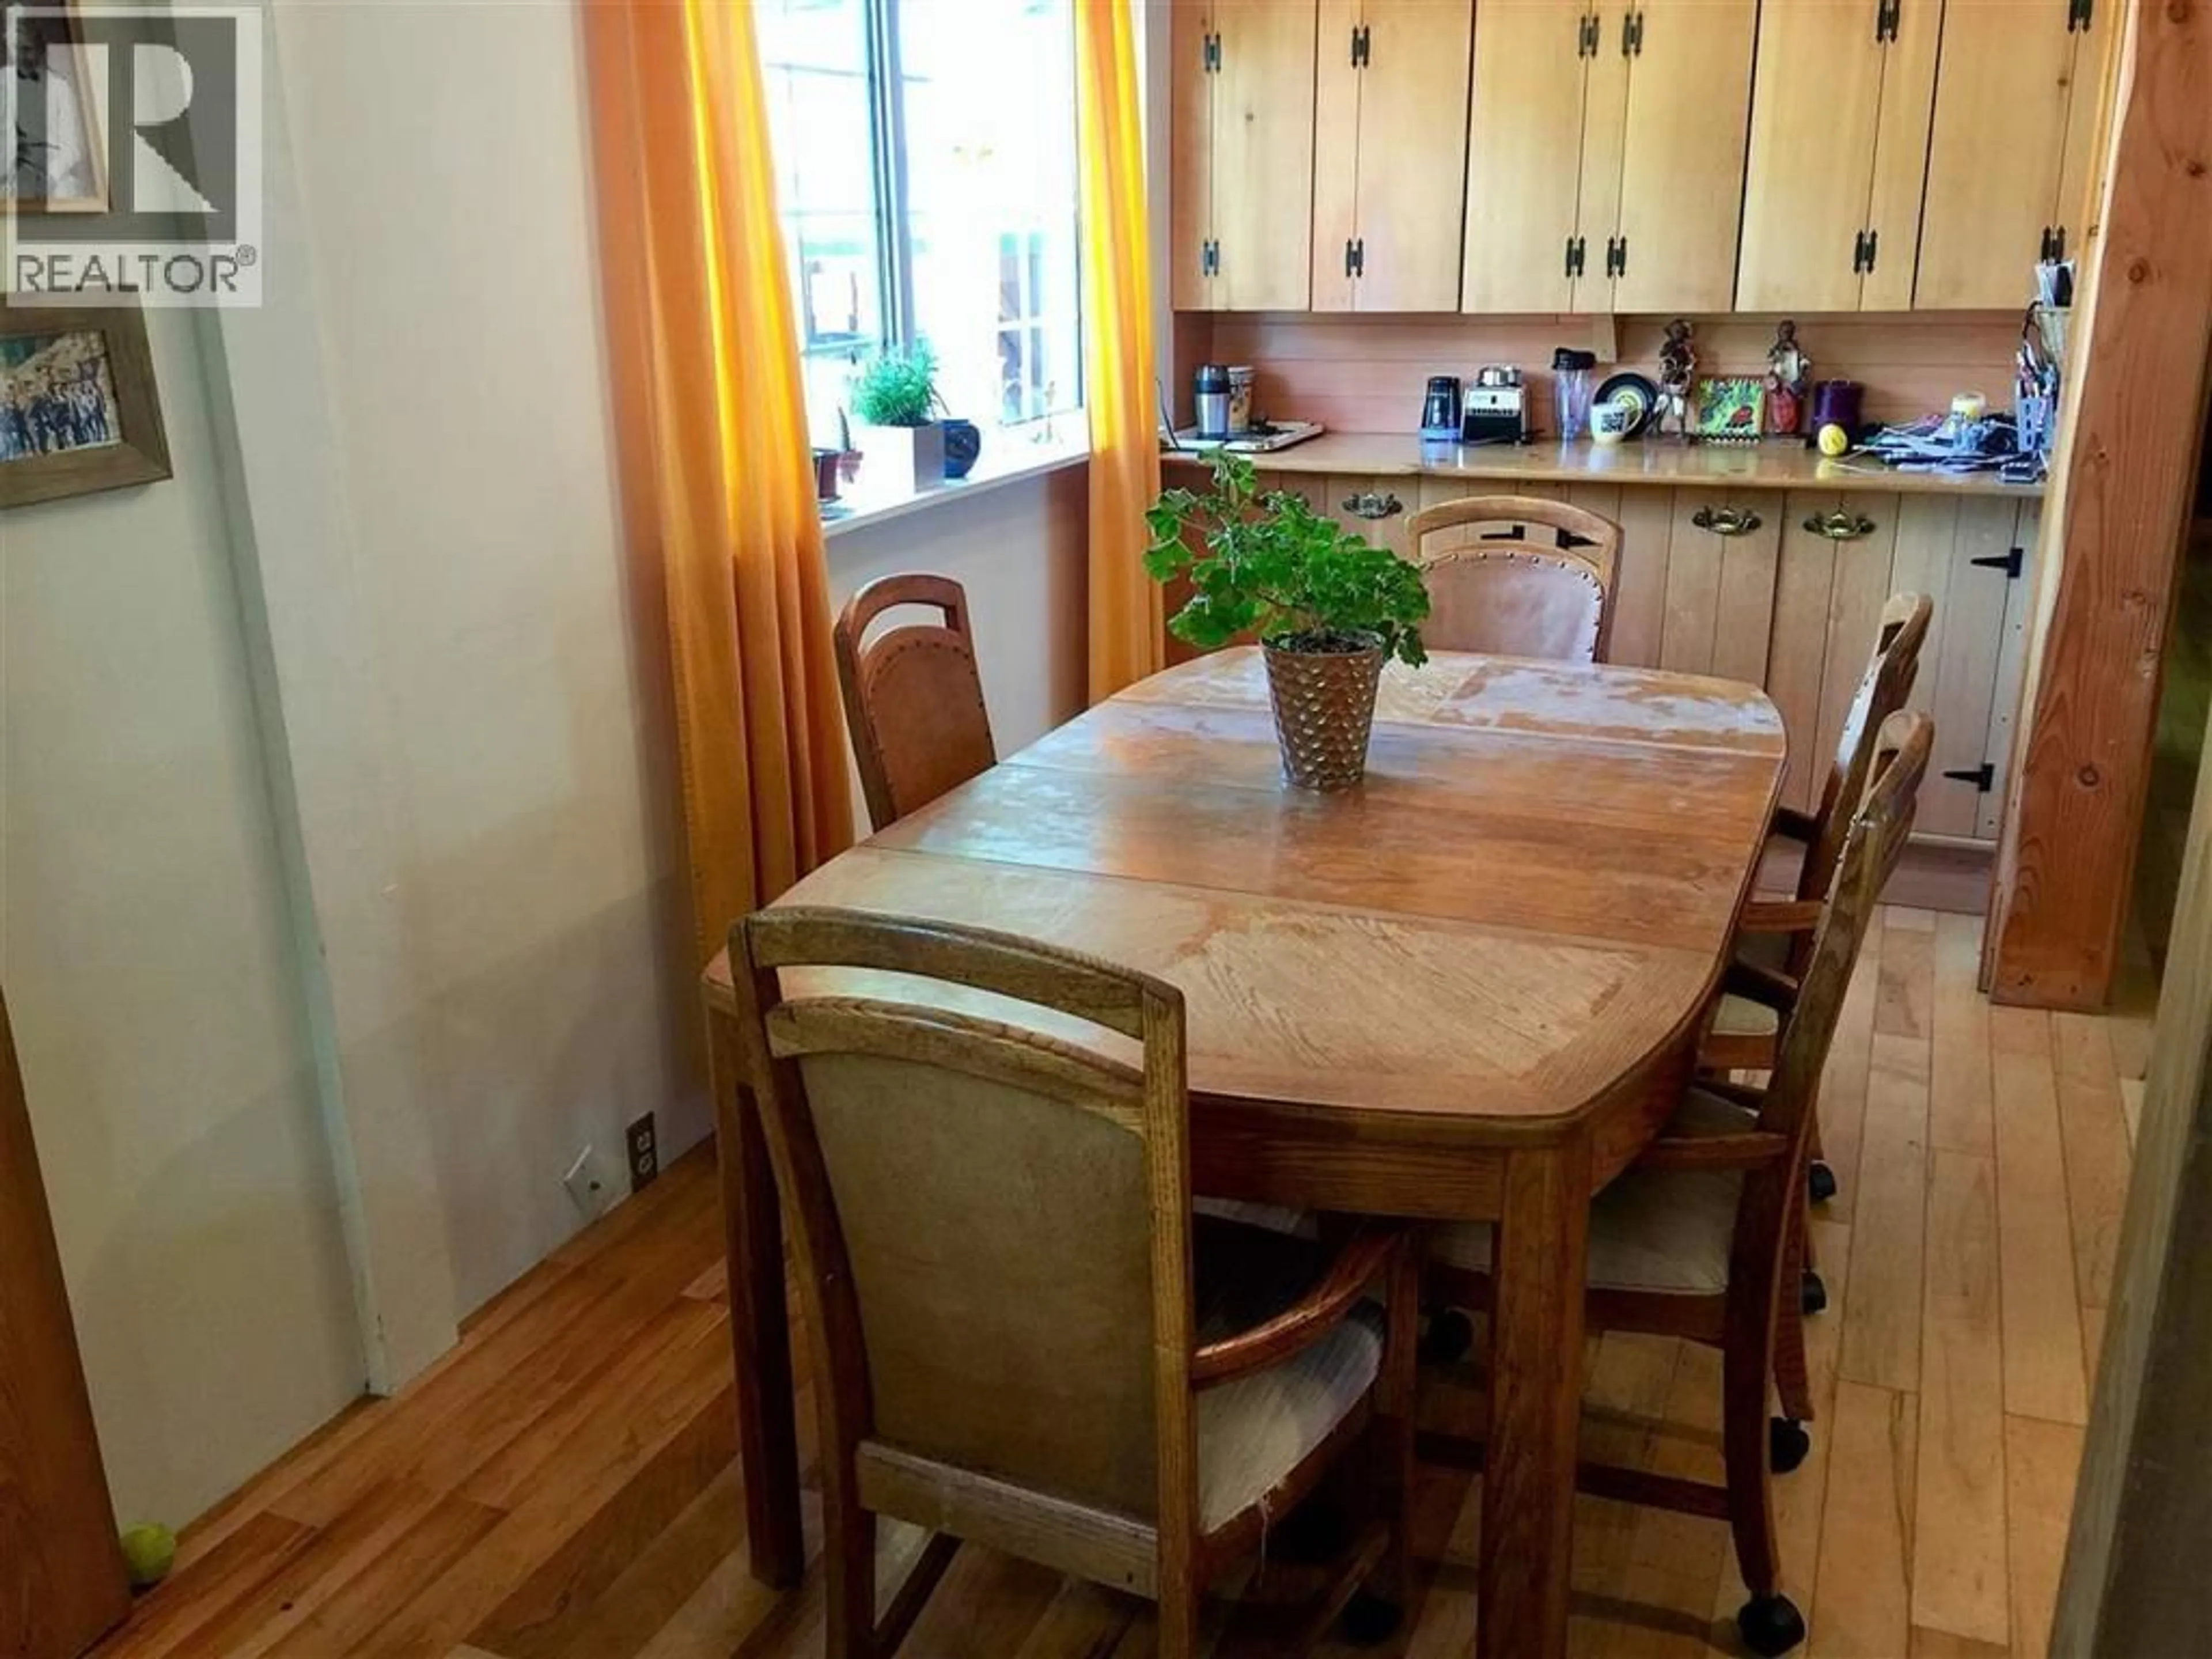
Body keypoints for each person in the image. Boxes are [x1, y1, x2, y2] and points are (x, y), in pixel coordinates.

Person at [1767, 320, 1810, 437]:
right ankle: (1779, 429)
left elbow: (1804, 363)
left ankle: (1792, 431)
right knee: (1778, 410)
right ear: (1779, 333)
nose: (1786, 334)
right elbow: (1771, 363)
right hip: (1778, 385)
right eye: (1784, 332)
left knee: (1793, 410)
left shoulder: (1797, 350)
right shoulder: (1775, 350)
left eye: (1789, 332)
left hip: (1792, 383)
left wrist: (1802, 374)